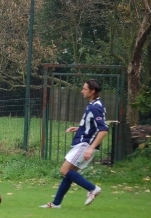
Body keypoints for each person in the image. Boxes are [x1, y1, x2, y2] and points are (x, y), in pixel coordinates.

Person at [40, 79, 108, 209]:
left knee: (64, 170)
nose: (82, 91)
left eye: (85, 89)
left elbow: (103, 130)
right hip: (84, 142)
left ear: (92, 91)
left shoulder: (95, 107)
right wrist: (78, 128)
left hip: (85, 144)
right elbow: (92, 126)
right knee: (69, 174)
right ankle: (56, 203)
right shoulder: (93, 104)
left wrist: (91, 148)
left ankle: (93, 188)